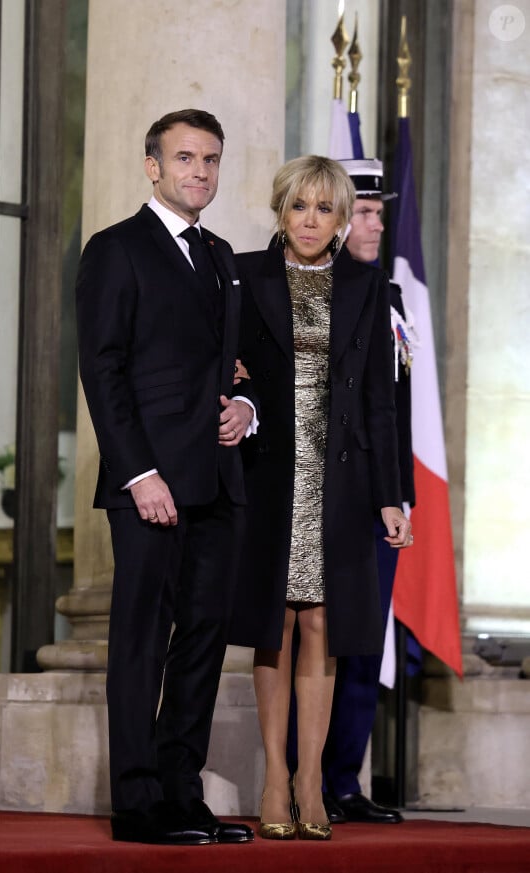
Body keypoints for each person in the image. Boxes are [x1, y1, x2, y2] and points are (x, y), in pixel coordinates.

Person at [76, 108, 256, 846]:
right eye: (185, 158)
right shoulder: (115, 250)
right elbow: (102, 369)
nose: (200, 172)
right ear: (153, 166)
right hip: (148, 484)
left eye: (210, 160)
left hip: (216, 481)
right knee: (142, 643)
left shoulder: (220, 255)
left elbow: (238, 365)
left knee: (204, 641)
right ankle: (138, 803)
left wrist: (245, 405)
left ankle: (183, 792)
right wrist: (138, 472)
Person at [229, 155, 412, 841]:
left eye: (325, 208)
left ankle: (312, 778)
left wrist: (392, 496)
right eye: (299, 206)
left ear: (342, 218)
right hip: (267, 476)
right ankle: (274, 775)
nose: (311, 219)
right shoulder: (242, 274)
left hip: (340, 480)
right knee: (273, 624)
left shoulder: (368, 286)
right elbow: (221, 363)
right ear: (282, 209)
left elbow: (380, 404)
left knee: (322, 628)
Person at [317, 158, 416, 826]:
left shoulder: (390, 295)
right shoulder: (312, 290)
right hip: (325, 491)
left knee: (361, 640)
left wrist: (400, 495)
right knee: (312, 638)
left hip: (379, 495)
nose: (377, 224)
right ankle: (302, 776)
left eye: (382, 212)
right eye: (367, 212)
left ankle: (344, 780)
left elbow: (395, 408)